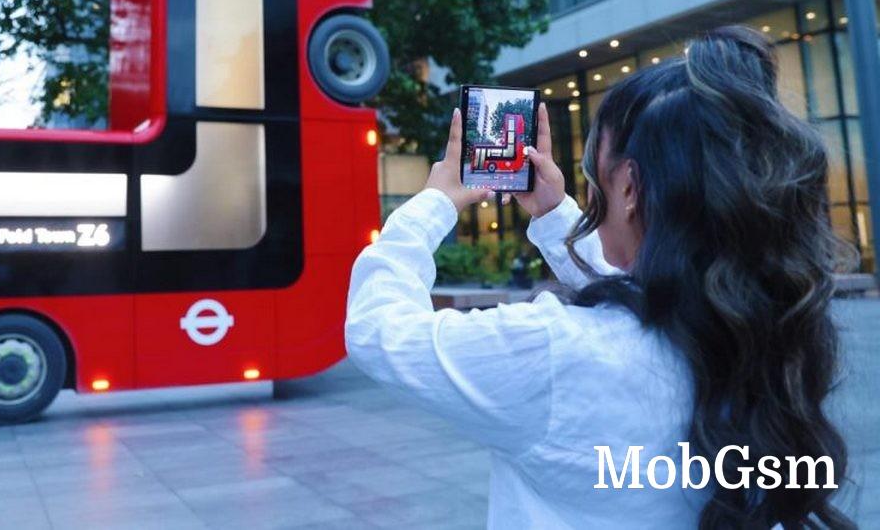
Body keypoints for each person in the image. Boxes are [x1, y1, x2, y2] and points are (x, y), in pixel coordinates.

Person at [345, 27, 854, 529]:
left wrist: (433, 204)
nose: (590, 193)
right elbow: (641, 293)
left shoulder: (552, 350)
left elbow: (378, 332)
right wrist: (553, 216)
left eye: (595, 173)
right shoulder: (761, 325)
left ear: (629, 186)